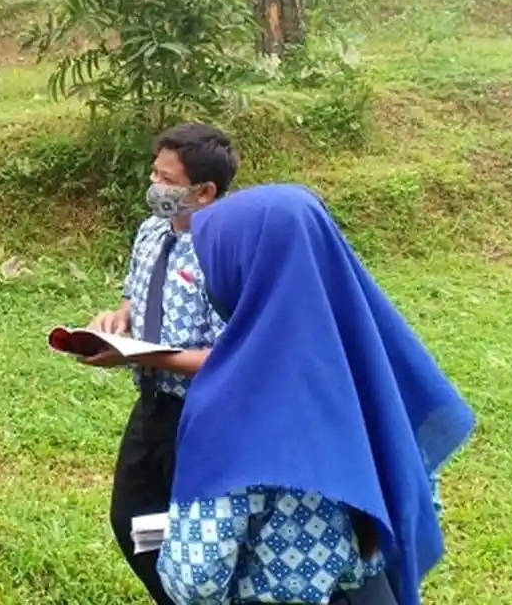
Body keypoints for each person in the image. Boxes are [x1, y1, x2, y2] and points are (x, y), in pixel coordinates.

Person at [157, 183, 475, 605]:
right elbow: (416, 499)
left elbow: (196, 578)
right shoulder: (372, 362)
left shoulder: (231, 401)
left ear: (241, 270)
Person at [80, 122, 240, 604]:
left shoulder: (227, 252)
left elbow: (233, 356)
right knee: (131, 519)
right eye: (155, 174)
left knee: (197, 533)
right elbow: (136, 293)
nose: (156, 187)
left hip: (207, 415)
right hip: (152, 404)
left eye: (168, 181)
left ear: (205, 191)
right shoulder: (151, 232)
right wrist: (117, 319)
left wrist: (149, 354)